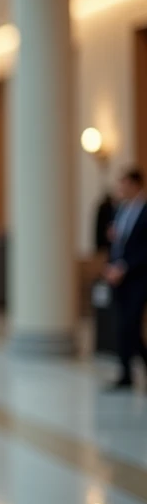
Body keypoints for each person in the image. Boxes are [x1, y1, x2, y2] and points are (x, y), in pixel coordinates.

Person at [104, 167, 147, 390]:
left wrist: (126, 266)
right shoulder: (119, 210)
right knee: (122, 326)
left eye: (124, 184)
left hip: (138, 278)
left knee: (130, 324)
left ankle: (131, 371)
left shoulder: (145, 211)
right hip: (118, 277)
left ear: (135, 184)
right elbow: (117, 244)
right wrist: (111, 266)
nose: (121, 189)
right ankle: (125, 374)